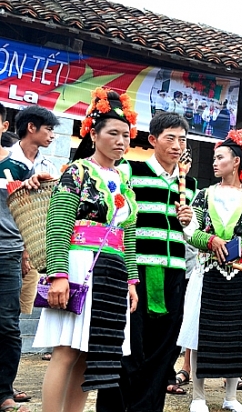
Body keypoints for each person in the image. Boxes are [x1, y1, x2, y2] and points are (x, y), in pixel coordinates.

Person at [33, 87, 140, 412]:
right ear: (93, 133)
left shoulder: (124, 180)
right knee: (67, 349)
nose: (121, 141)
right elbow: (58, 224)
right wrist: (59, 275)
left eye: (126, 134)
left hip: (113, 271)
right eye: (113, 133)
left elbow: (128, 233)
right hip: (79, 265)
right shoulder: (76, 172)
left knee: (89, 351)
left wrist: (132, 281)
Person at [94, 111, 198, 412]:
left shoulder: (188, 184)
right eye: (170, 138)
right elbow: (119, 218)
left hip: (174, 273)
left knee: (163, 352)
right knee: (128, 349)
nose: (177, 145)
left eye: (182, 139)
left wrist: (189, 222)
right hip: (136, 271)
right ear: (153, 140)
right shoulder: (130, 171)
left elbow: (191, 234)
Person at [178, 129, 242, 412]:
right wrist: (210, 240)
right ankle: (198, 396)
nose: (215, 162)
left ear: (236, 161)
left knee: (233, 333)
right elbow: (189, 230)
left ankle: (231, 396)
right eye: (214, 158)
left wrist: (239, 249)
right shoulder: (204, 195)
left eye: (220, 157)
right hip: (207, 271)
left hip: (238, 274)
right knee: (200, 332)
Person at [0, 103, 36, 412]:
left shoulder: (20, 168)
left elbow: (29, 214)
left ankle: (3, 392)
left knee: (8, 325)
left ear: (3, 127)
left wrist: (28, 253)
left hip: (8, 254)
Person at [10, 106, 61, 319]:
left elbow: (53, 208)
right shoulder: (6, 158)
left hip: (31, 249)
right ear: (31, 127)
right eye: (48, 129)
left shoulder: (49, 168)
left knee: (15, 312)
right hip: (5, 245)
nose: (52, 135)